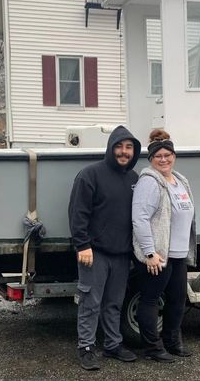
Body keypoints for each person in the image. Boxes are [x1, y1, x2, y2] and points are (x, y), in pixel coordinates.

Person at [68, 125, 141, 370]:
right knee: (91, 303)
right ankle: (86, 347)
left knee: (114, 303)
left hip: (122, 255)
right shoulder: (90, 175)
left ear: (134, 151)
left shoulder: (134, 179)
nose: (124, 152)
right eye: (119, 147)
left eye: (129, 147)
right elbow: (78, 213)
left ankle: (113, 345)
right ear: (110, 148)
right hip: (94, 253)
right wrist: (82, 245)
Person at [132, 129, 196, 363]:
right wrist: (150, 253)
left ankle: (172, 342)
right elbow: (139, 218)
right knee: (150, 300)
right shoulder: (149, 182)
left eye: (167, 154)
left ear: (174, 156)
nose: (163, 159)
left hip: (178, 254)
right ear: (151, 159)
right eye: (158, 155)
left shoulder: (180, 180)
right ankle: (152, 348)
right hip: (158, 255)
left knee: (178, 300)